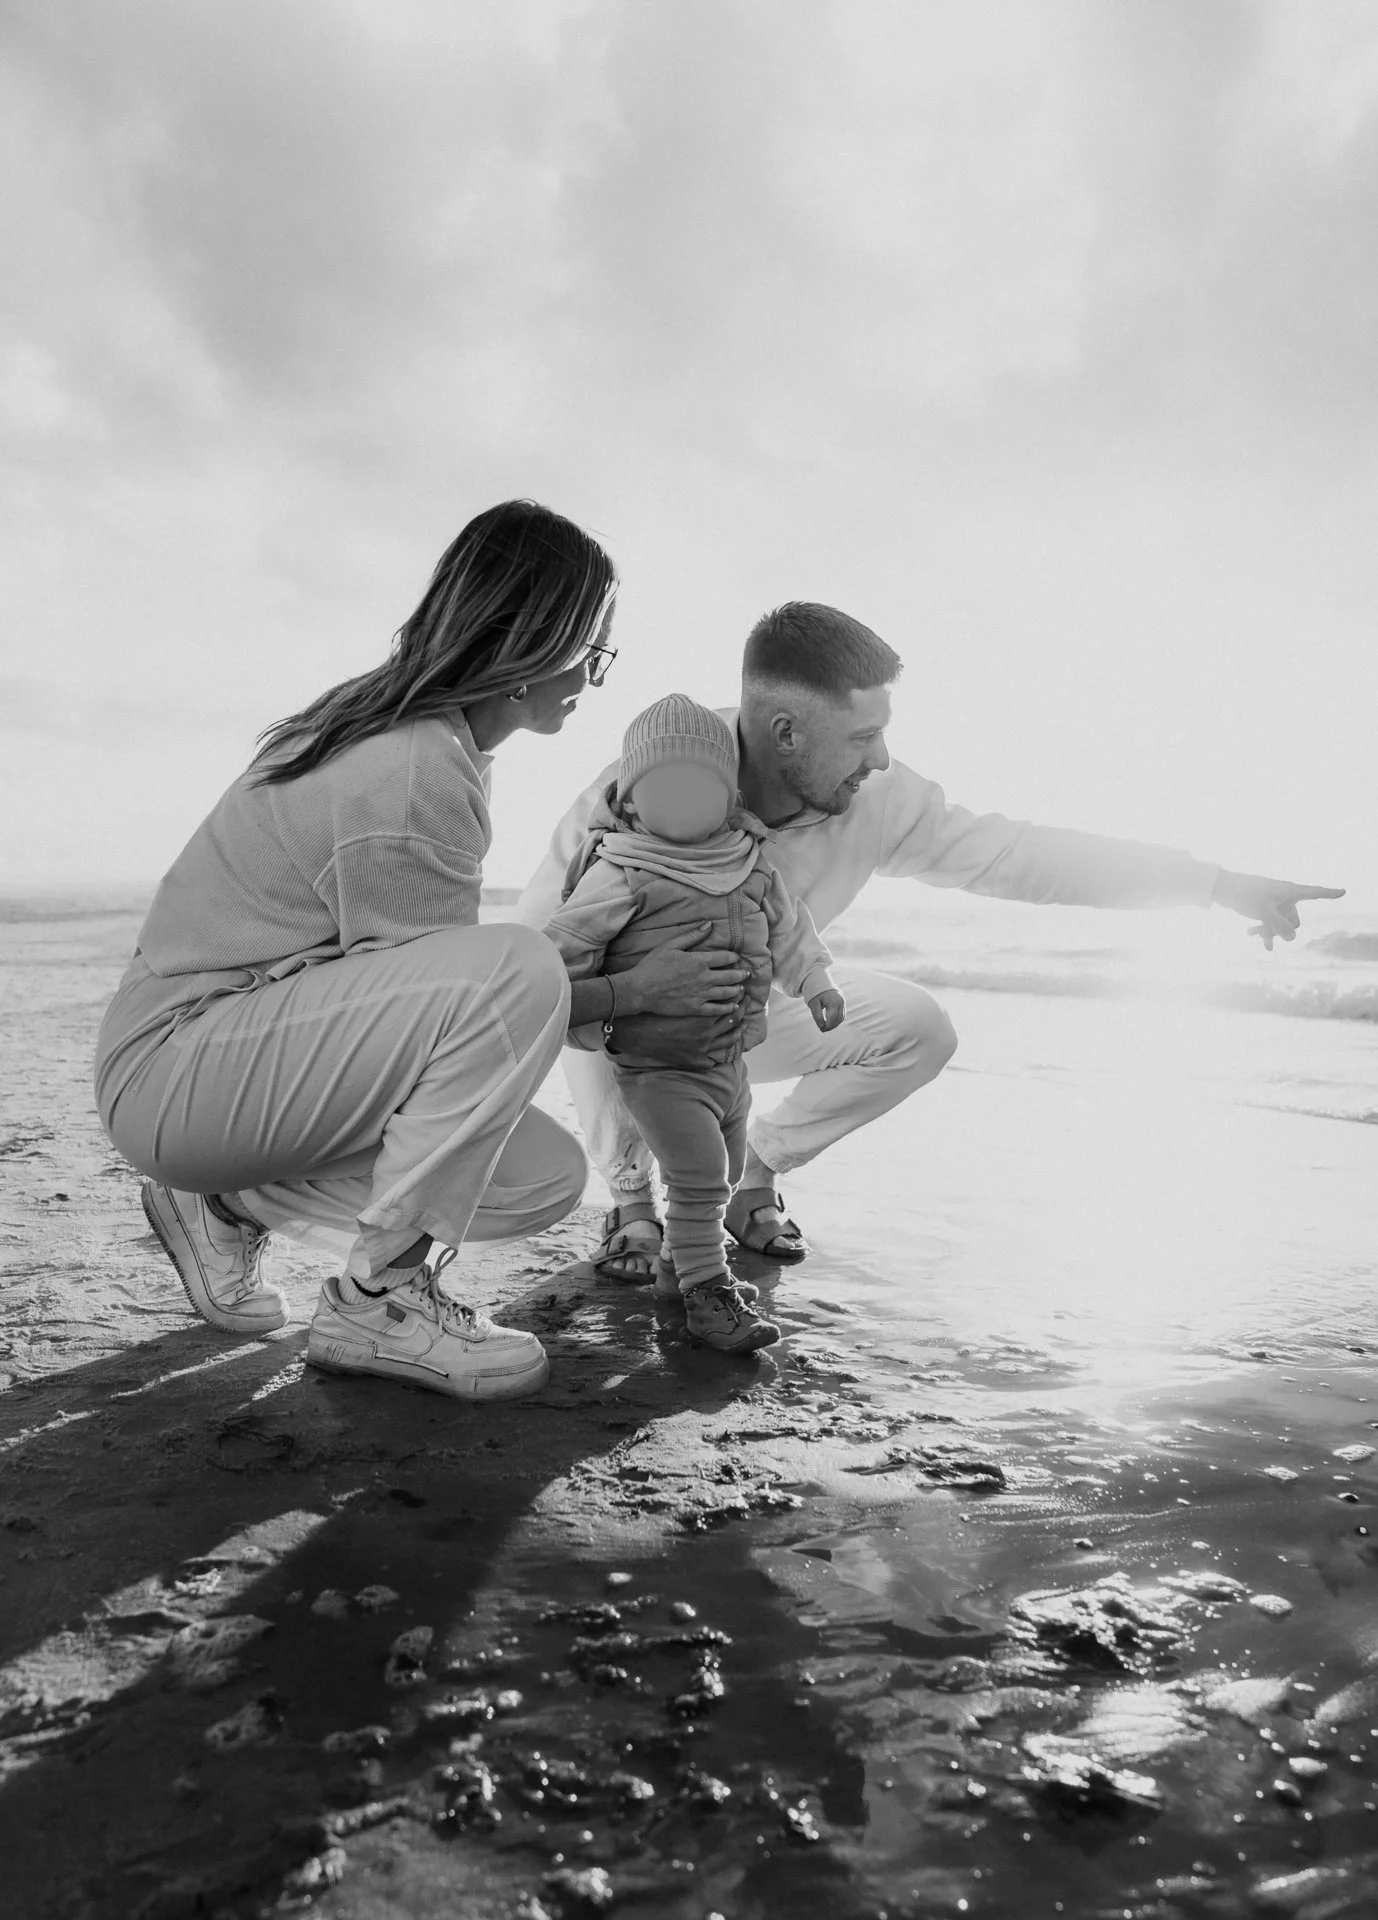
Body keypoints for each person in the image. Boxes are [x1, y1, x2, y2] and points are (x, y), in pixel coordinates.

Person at [93, 501, 749, 1400]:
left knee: (539, 1179)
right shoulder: (410, 767)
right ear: (529, 640)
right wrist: (633, 993)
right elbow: (467, 1010)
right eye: (591, 651)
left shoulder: (430, 741)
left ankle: (220, 1205)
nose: (592, 680)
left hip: (221, 1057)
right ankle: (378, 1301)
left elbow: (430, 1012)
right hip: (177, 1065)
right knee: (509, 968)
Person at [516, 601, 1345, 1281]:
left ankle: (753, 1177)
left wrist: (1213, 883)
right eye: (861, 736)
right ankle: (631, 1204)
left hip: (749, 1021)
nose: (880, 758)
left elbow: (1021, 856)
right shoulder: (643, 788)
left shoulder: (879, 798)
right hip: (629, 1032)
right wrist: (631, 995)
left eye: (882, 731)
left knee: (918, 1026)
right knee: (586, 999)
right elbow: (533, 968)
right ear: (783, 732)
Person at [542, 695, 844, 1354]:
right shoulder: (623, 869)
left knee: (728, 1170)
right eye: (662, 785)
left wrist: (816, 981)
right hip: (657, 1066)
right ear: (631, 797)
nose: (681, 799)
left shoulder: (749, 859)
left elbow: (792, 930)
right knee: (701, 1173)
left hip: (728, 1061)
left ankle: (679, 1273)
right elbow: (559, 953)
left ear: (729, 792)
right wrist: (604, 999)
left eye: (699, 784)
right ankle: (712, 1297)